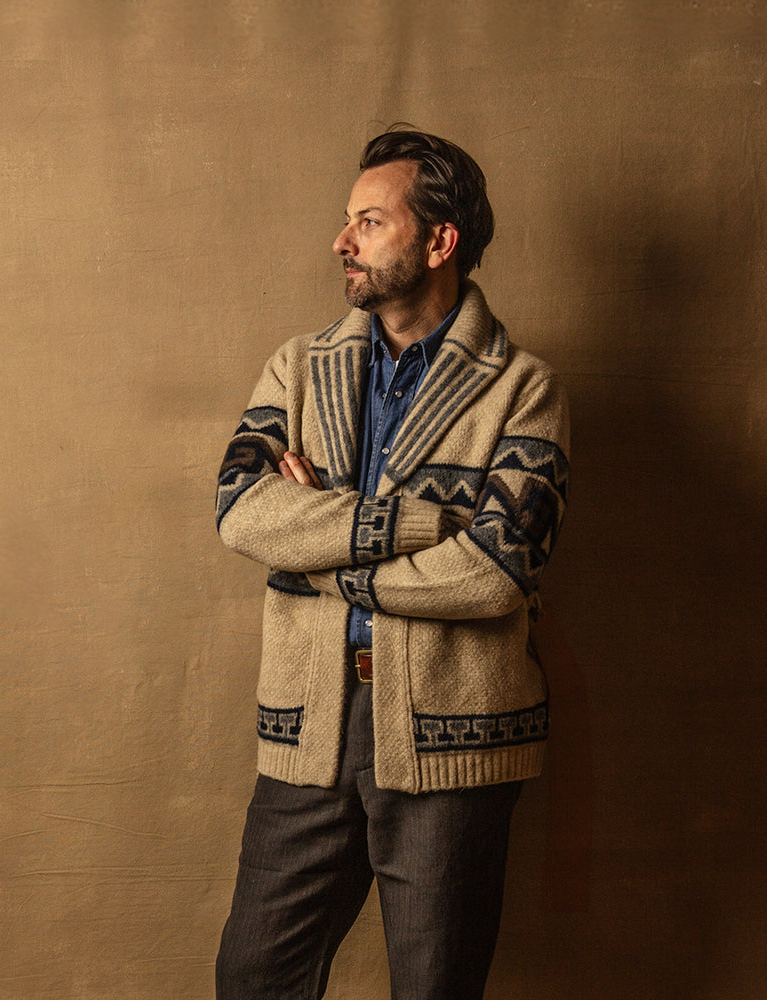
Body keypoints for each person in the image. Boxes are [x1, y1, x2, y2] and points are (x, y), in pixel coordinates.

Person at [214, 126, 570, 1000]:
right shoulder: (297, 368)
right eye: (349, 220)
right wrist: (417, 524)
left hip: (454, 734)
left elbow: (496, 570)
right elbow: (242, 509)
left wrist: (320, 556)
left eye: (370, 222)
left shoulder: (523, 388)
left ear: (439, 241)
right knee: (254, 978)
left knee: (436, 986)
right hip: (309, 724)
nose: (342, 241)